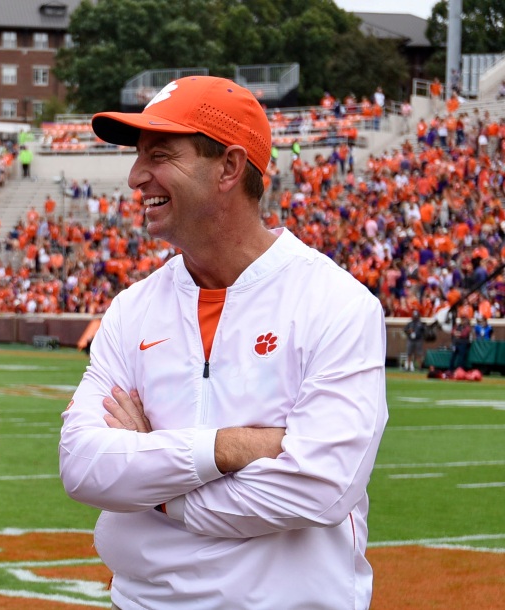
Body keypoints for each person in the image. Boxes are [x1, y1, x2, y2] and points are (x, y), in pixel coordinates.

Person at [59, 76, 388, 609]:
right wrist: (228, 448)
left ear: (229, 168)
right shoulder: (132, 307)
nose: (136, 177)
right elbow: (83, 466)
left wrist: (156, 493)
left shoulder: (336, 303)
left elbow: (317, 488)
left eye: (159, 155)